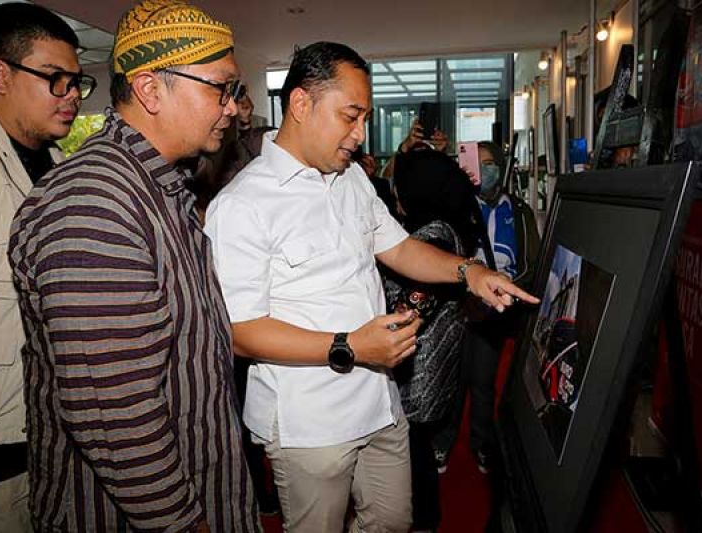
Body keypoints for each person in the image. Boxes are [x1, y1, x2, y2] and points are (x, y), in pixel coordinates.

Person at [204, 41, 536, 532]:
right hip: (308, 425)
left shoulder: (351, 180)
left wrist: (469, 272)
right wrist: (351, 347)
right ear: (300, 104)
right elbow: (240, 330)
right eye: (350, 116)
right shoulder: (241, 205)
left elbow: (399, 249)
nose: (361, 135)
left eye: (365, 118)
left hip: (380, 403)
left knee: (393, 522)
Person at [7, 1, 259, 531]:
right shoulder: (95, 203)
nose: (234, 108)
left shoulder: (155, 185)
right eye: (222, 88)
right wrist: (181, 521)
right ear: (150, 90)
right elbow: (113, 414)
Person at [0, 4, 93, 531]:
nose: (71, 95)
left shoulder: (55, 167)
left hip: (49, 441)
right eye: (54, 79)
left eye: (76, 81)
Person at [387, 147, 479, 531]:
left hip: (418, 370)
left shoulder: (432, 236)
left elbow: (407, 316)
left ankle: (423, 522)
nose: (395, 195)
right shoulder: (451, 224)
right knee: (419, 451)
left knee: (413, 457)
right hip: (435, 365)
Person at [434, 140, 540, 474]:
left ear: (503, 165)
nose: (485, 169)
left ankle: (482, 443)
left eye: (490, 162)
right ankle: (442, 442)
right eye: (478, 163)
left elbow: (531, 262)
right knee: (452, 380)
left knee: (483, 380)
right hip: (459, 308)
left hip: (495, 312)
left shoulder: (519, 212)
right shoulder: (458, 207)